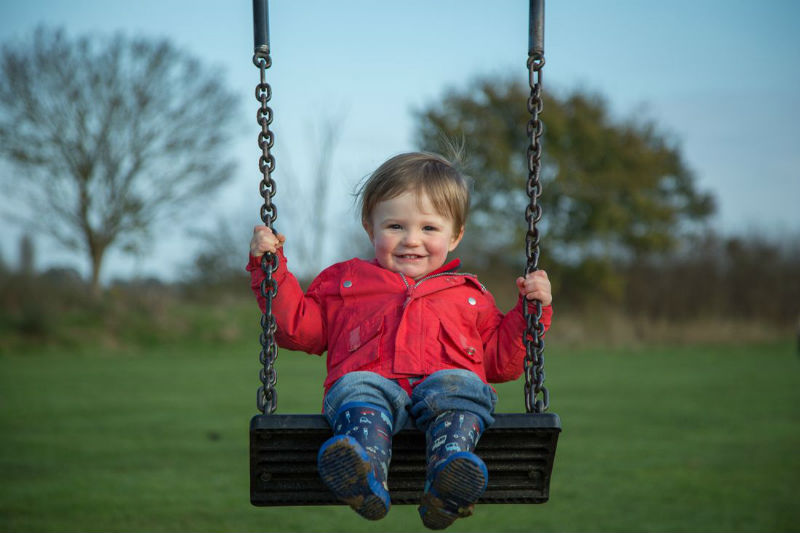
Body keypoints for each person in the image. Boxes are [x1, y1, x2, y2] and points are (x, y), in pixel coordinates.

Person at [247, 152, 553, 530]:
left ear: (455, 235)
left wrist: (530, 311)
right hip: (372, 390)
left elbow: (500, 362)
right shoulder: (346, 283)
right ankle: (364, 474)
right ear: (369, 227)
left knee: (465, 388)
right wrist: (270, 270)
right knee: (358, 387)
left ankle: (450, 475)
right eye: (395, 226)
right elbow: (297, 327)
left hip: (445, 395)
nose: (412, 240)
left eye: (429, 228)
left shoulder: (470, 296)